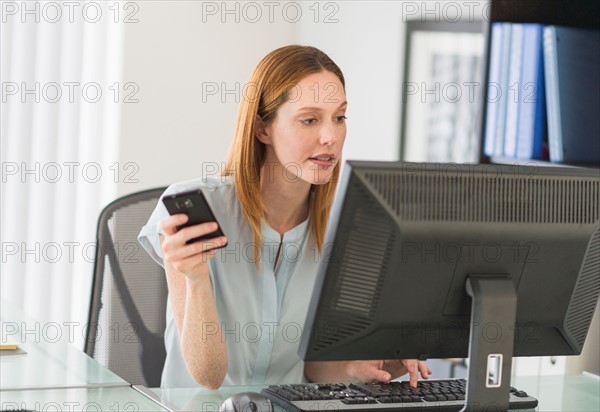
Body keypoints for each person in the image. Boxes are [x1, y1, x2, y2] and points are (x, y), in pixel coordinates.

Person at [138, 45, 432, 389]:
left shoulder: (348, 227)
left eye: (339, 117)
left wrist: (360, 370)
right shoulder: (196, 211)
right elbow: (209, 377)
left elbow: (313, 368)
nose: (330, 137)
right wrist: (197, 279)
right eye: (309, 119)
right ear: (263, 129)